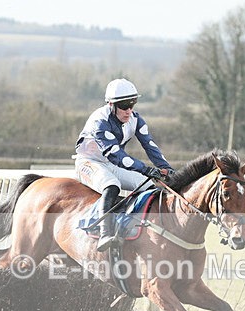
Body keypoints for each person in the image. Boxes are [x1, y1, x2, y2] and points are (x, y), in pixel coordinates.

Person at [74, 78, 174, 251]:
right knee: (112, 185)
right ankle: (105, 233)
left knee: (150, 186)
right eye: (124, 105)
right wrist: (146, 169)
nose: (129, 111)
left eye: (132, 104)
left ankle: (135, 227)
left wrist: (168, 169)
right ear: (111, 105)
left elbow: (150, 146)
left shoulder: (135, 119)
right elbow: (117, 156)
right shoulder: (99, 121)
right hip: (89, 162)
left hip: (110, 164)